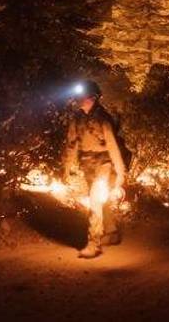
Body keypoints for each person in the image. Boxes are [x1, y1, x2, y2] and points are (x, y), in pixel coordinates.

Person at [62, 81, 127, 259]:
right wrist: (66, 168)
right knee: (98, 199)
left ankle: (93, 243)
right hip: (87, 163)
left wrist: (120, 172)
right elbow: (71, 144)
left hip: (103, 164)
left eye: (82, 96)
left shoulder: (103, 118)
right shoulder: (77, 118)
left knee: (94, 200)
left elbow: (113, 146)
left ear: (92, 97)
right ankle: (112, 233)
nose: (78, 99)